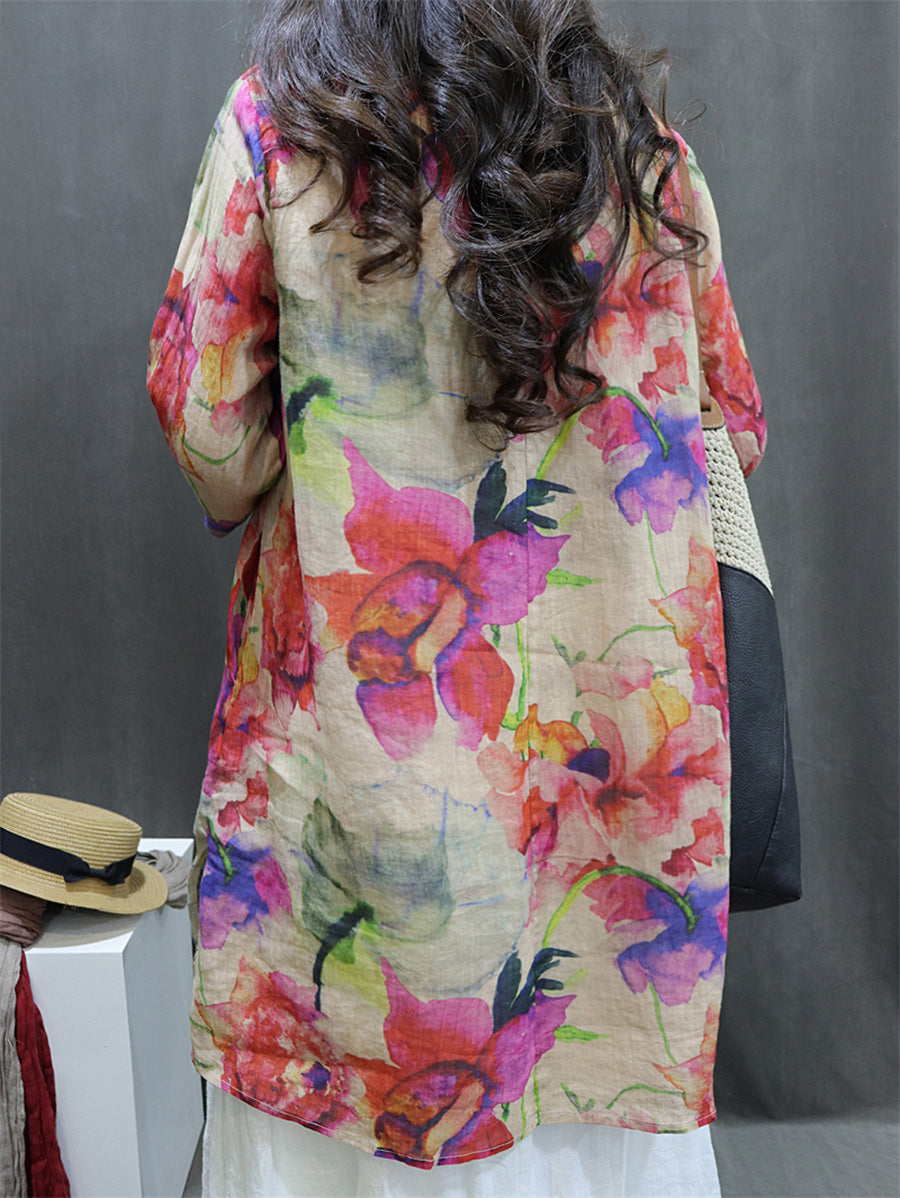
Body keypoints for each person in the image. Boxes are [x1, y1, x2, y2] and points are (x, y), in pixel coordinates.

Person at [147, 2, 765, 1194]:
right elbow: (728, 426)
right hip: (604, 822)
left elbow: (212, 435)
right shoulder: (637, 148)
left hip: (362, 816)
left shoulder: (281, 134)